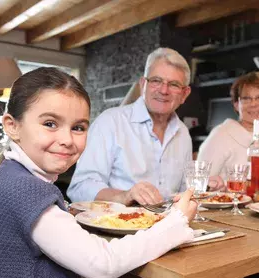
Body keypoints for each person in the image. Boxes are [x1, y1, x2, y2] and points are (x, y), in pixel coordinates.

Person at [0, 67, 198, 278]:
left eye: (78, 128)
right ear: (12, 125)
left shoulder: (11, 174)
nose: (67, 140)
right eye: (50, 123)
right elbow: (102, 264)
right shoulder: (24, 188)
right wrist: (175, 222)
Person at [67, 47, 223, 206]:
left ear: (184, 94)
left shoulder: (183, 133)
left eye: (174, 84)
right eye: (156, 81)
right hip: (118, 224)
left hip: (169, 225)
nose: (163, 90)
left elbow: (182, 192)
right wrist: (125, 196)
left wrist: (203, 188)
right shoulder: (110, 122)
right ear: (143, 85)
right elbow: (80, 188)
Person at [197, 72, 259, 179]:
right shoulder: (221, 134)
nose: (253, 104)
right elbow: (200, 181)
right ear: (236, 105)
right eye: (246, 98)